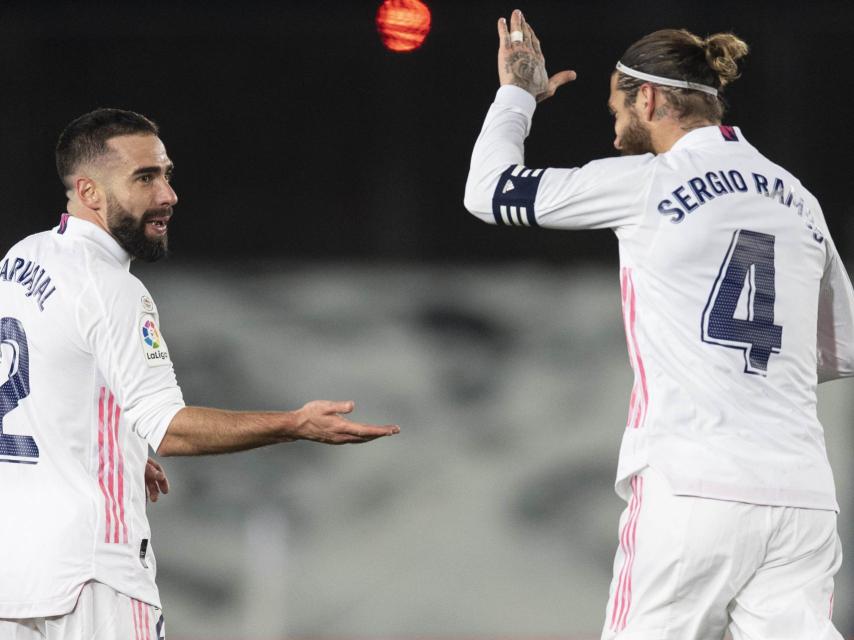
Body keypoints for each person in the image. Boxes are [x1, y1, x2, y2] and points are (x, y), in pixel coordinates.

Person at [464, 9, 854, 639]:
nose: (613, 117)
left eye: (617, 102)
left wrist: (516, 96)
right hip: (801, 492)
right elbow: (843, 350)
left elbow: (488, 191)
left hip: (692, 485)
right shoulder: (798, 197)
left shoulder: (648, 182)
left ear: (648, 96)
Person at [0, 108, 400, 639]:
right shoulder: (112, 290)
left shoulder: (20, 259)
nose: (168, 195)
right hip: (95, 577)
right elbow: (171, 429)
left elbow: (34, 388)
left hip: (17, 577)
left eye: (166, 173)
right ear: (90, 192)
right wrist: (295, 424)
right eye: (145, 178)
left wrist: (114, 446)